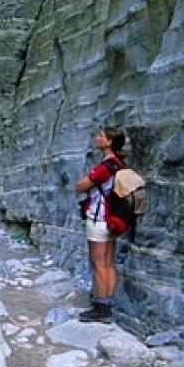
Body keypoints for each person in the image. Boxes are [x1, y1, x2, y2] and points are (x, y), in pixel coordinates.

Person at [74, 126, 126, 323]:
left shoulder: (105, 167)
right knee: (108, 263)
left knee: (98, 264)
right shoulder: (120, 165)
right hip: (113, 220)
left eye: (101, 136)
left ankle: (101, 308)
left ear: (109, 142)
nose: (98, 138)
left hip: (99, 219)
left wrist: (83, 183)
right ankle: (108, 302)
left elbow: (80, 186)